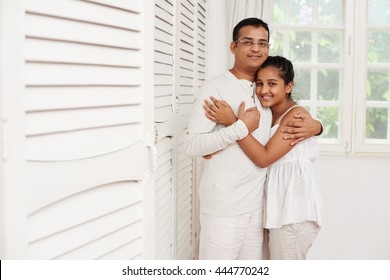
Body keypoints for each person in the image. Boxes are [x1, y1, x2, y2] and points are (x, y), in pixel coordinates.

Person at [184, 17, 322, 260]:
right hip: (223, 207)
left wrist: (317, 126)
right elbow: (192, 145)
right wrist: (237, 127)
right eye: (248, 42)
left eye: (262, 43)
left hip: (258, 208)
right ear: (233, 47)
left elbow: (288, 122)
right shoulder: (215, 89)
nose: (256, 48)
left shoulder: (264, 91)